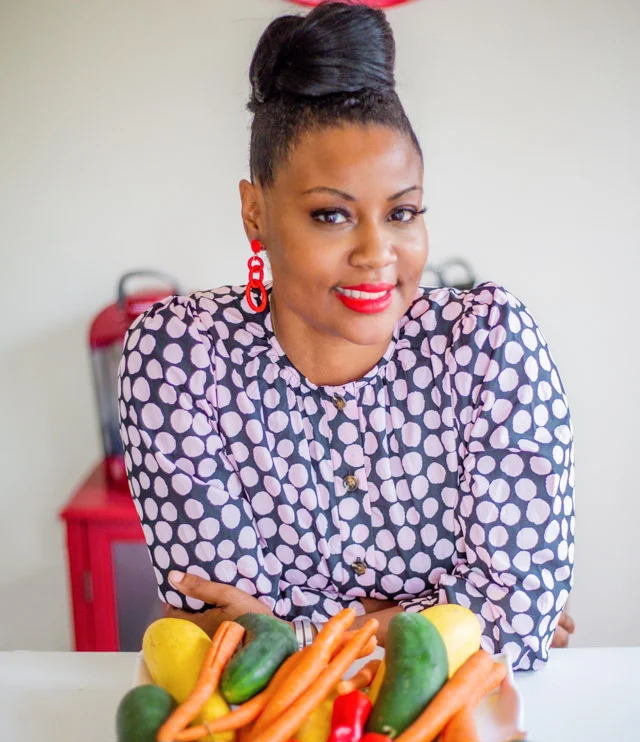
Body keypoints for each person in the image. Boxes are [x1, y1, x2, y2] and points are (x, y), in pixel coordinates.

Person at [118, 1, 575, 669]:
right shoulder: (180, 358)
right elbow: (235, 647)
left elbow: (518, 621)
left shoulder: (488, 342)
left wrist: (291, 632)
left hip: (461, 733)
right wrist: (441, 619)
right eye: (331, 214)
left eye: (403, 212)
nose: (377, 252)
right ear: (256, 213)